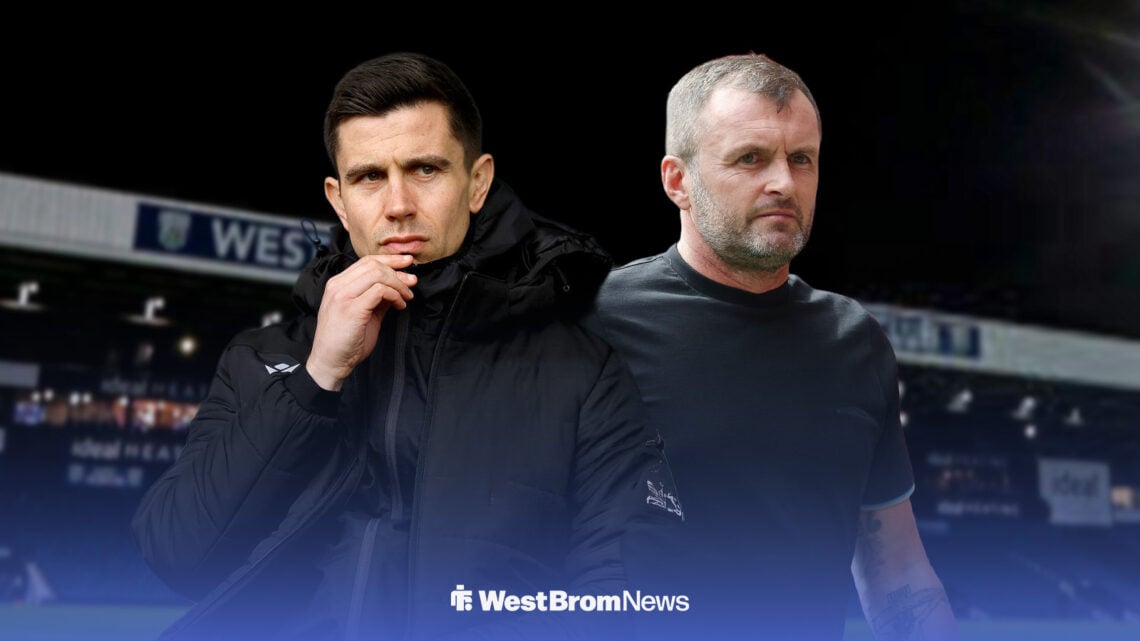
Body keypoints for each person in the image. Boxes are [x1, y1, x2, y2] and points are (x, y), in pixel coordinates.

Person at [132, 52, 682, 641]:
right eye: (369, 177)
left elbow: (628, 592)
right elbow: (178, 555)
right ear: (338, 199)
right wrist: (317, 376)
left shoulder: (580, 370)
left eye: (425, 170)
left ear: (477, 183)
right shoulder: (262, 359)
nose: (398, 205)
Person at [591, 53, 959, 641]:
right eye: (750, 158)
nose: (784, 183)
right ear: (677, 181)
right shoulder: (590, 324)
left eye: (801, 159)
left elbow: (898, 574)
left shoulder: (856, 342)